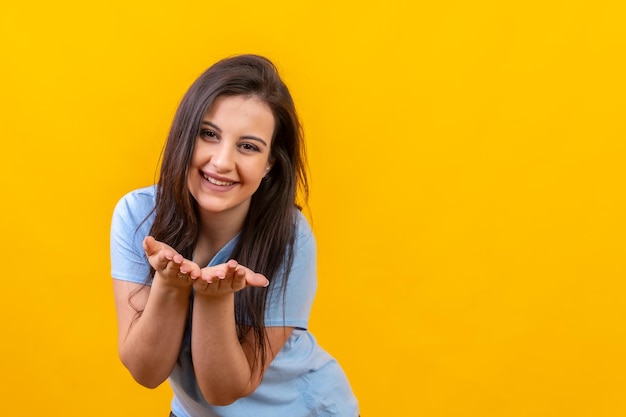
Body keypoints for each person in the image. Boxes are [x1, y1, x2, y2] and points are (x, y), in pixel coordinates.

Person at [110, 54, 359, 417]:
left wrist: (214, 299)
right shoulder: (138, 216)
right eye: (209, 135)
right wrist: (169, 285)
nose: (222, 161)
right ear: (185, 135)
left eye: (248, 146)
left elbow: (225, 390)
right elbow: (145, 372)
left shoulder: (290, 237)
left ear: (270, 163)